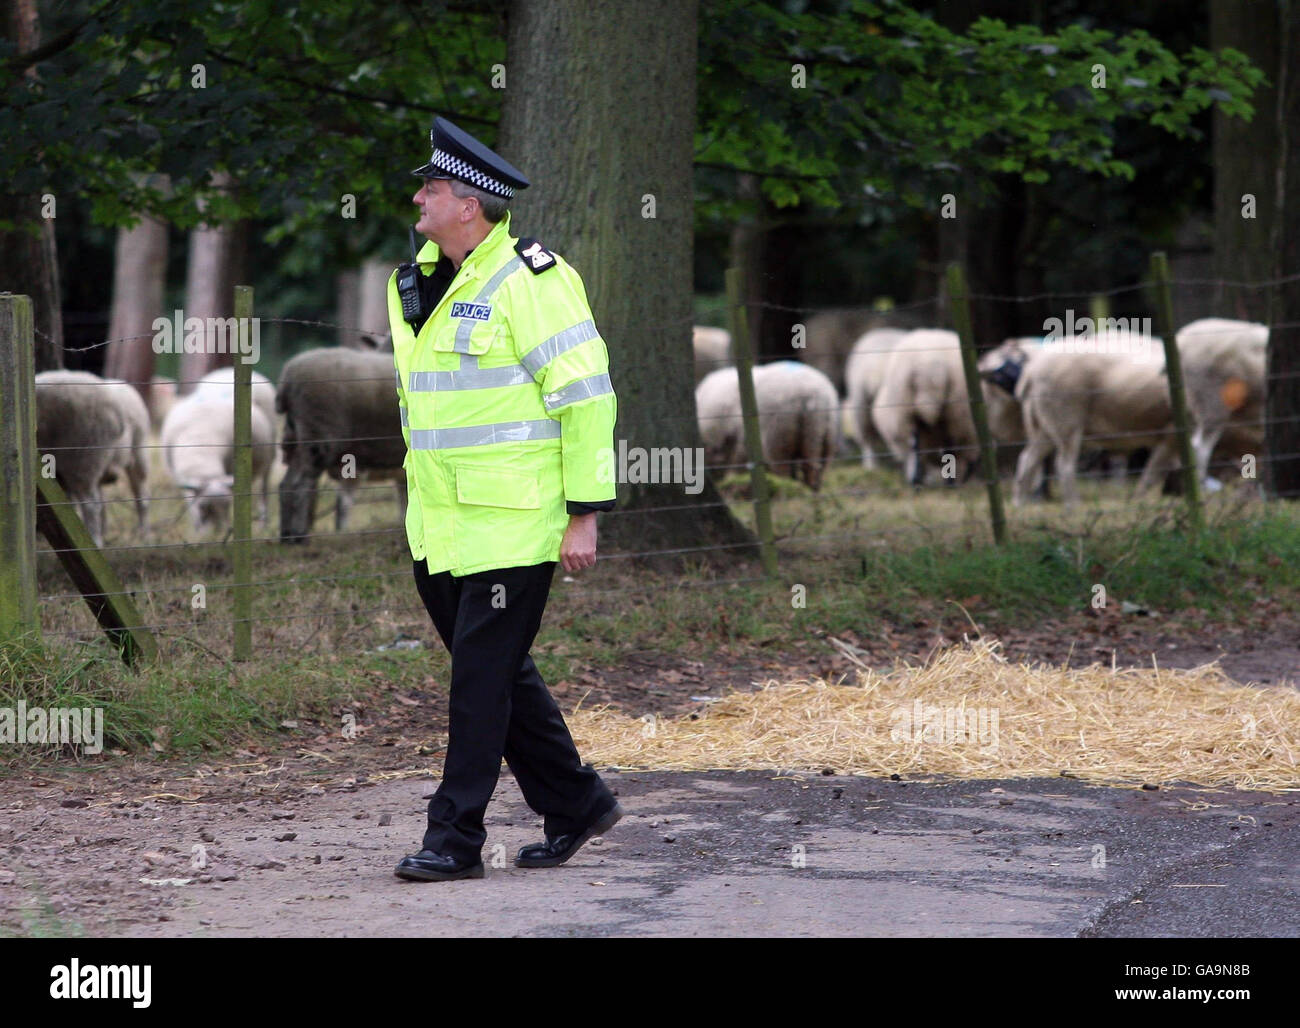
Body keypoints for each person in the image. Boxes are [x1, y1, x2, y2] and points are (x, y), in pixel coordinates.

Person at [389, 117, 623, 882]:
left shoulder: (534, 279)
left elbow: (586, 398)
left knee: (478, 683)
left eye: (432, 186)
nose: (419, 195)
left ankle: (455, 839)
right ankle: (577, 802)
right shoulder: (409, 284)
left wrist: (584, 512)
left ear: (469, 204)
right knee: (499, 673)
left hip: (518, 523)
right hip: (438, 526)